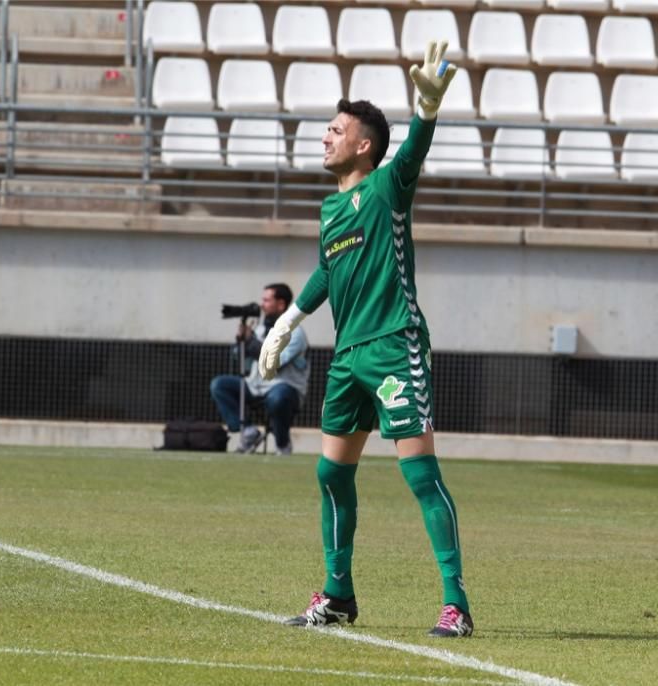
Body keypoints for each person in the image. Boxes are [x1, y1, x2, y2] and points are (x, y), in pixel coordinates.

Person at [258, 42, 473, 637]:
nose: (324, 137)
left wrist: (426, 113)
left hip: (394, 344)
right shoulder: (331, 210)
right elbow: (329, 270)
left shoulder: (386, 187)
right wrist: (288, 320)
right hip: (349, 355)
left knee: (420, 475)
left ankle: (456, 603)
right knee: (331, 475)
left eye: (334, 129)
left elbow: (412, 153)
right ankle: (338, 596)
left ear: (363, 145)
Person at [210, 283, 309, 455]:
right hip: (254, 385)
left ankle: (282, 443)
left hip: (283, 388)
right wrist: (240, 342)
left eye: (267, 300)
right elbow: (240, 359)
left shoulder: (295, 332)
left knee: (277, 398)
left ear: (281, 304)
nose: (262, 305)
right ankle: (248, 431)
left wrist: (252, 342)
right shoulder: (260, 328)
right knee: (220, 385)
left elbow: (275, 362)